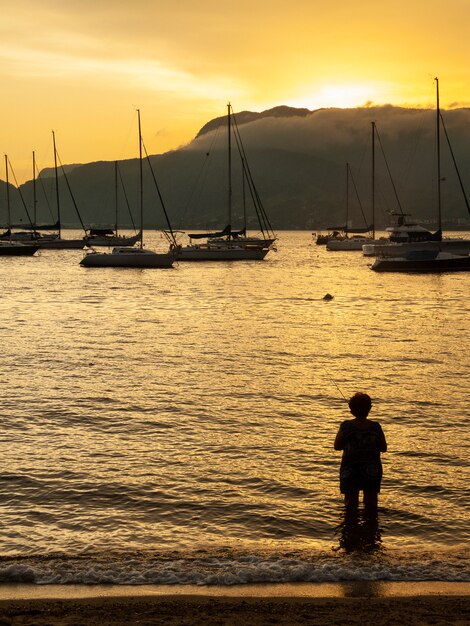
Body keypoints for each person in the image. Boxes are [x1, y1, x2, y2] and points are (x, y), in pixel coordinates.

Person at [334, 392, 387, 510]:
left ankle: (350, 527)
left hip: (350, 469)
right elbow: (384, 448)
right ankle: (371, 526)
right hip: (372, 469)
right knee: (371, 503)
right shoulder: (375, 427)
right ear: (369, 409)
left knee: (350, 503)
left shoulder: (346, 426)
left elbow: (337, 446)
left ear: (351, 409)